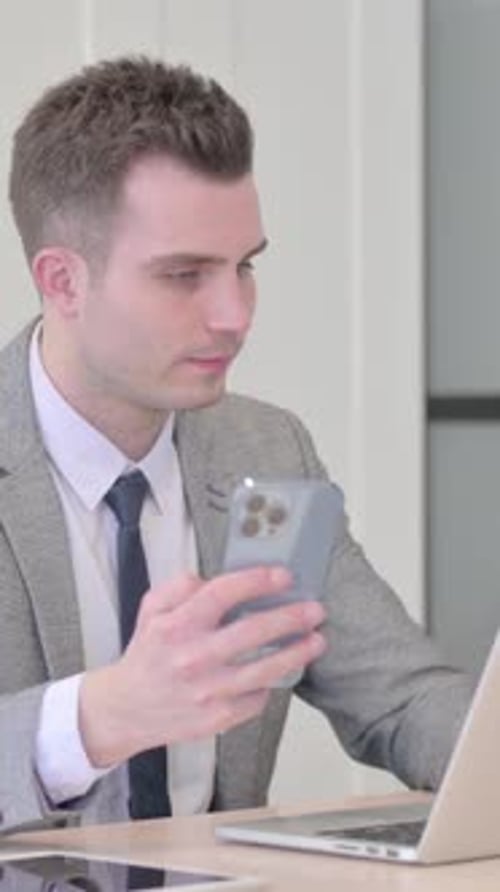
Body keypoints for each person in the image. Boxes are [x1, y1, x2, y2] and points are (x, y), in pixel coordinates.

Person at [0, 55, 473, 832]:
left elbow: (401, 698)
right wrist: (103, 714)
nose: (233, 315)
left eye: (244, 267)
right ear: (62, 281)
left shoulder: (265, 449)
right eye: (185, 275)